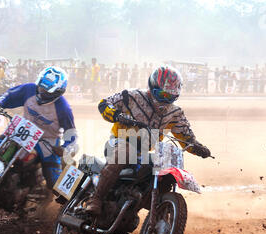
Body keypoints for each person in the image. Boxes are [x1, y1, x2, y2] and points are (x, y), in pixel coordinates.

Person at [85, 65, 211, 216]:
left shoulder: (175, 112)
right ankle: (96, 199)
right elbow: (104, 104)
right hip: (119, 142)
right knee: (127, 152)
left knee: (164, 166)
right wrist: (116, 115)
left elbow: (186, 136)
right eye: (162, 94)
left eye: (169, 96)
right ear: (152, 87)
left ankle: (149, 211)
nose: (165, 99)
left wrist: (198, 148)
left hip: (144, 153)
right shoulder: (132, 96)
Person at [0, 66, 77, 190]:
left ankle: (72, 197)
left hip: (47, 141)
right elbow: (9, 95)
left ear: (58, 92)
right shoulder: (29, 89)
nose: (42, 92)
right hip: (22, 129)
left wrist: (64, 149)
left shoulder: (63, 108)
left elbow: (72, 135)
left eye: (47, 91)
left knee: (54, 183)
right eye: (41, 87)